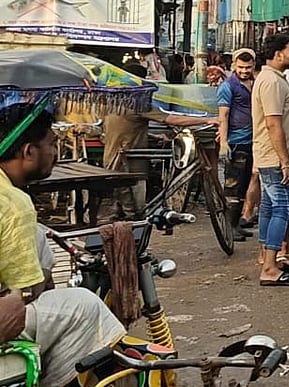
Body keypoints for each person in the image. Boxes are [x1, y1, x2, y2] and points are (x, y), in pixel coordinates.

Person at [0, 103, 126, 387]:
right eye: (52, 144)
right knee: (84, 305)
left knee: (41, 240)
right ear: (28, 151)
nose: (56, 154)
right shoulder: (14, 202)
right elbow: (25, 293)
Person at [104, 62, 217, 218]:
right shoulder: (137, 104)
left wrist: (153, 136)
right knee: (135, 213)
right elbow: (171, 119)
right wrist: (207, 120)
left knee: (120, 209)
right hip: (129, 164)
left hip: (112, 159)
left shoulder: (113, 101)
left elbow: (125, 128)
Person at [252, 31, 289, 287]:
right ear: (280, 53)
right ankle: (269, 267)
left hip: (271, 157)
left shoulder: (274, 79)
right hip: (276, 159)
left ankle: (268, 257)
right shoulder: (272, 82)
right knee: (282, 210)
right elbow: (273, 124)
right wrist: (286, 162)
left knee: (268, 207)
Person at [217, 49, 258, 241]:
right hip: (236, 141)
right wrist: (224, 143)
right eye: (241, 67)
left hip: (254, 140)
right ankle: (229, 228)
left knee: (243, 186)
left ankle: (236, 224)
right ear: (234, 65)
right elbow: (223, 116)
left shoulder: (256, 83)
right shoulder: (228, 86)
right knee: (232, 187)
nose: (244, 71)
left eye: (248, 67)